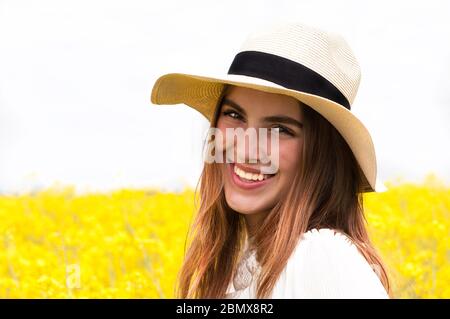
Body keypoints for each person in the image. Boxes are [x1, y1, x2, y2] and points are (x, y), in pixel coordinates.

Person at [150, 22, 391, 298]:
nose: (246, 148)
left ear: (322, 156)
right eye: (234, 115)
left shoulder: (321, 257)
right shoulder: (246, 267)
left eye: (279, 130)